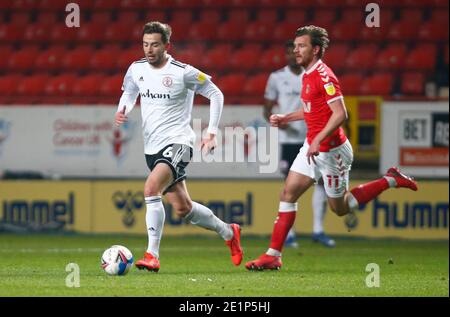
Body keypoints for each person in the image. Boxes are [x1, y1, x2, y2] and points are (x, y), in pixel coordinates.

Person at [246, 25, 418, 271]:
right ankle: (273, 255)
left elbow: (340, 114)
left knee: (340, 207)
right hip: (313, 146)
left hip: (332, 152)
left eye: (301, 46)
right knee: (288, 194)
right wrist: (286, 118)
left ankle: (390, 179)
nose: (296, 50)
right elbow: (312, 112)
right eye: (295, 46)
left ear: (315, 50)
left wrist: (318, 140)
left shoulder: (324, 76)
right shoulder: (307, 73)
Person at [115, 21, 243, 272]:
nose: (149, 50)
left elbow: (216, 93)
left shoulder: (183, 72)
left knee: (151, 187)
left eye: (154, 45)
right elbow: (129, 93)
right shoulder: (136, 68)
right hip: (152, 148)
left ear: (166, 45)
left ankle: (152, 255)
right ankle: (228, 231)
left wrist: (212, 131)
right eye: (145, 44)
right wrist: (124, 109)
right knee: (184, 208)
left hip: (179, 142)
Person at [264, 40, 334, 248]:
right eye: (289, 53)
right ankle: (290, 235)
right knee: (290, 186)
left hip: (313, 137)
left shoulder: (314, 75)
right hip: (289, 140)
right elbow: (267, 107)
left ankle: (318, 230)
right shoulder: (277, 78)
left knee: (321, 182)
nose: (293, 55)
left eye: (295, 51)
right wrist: (278, 121)